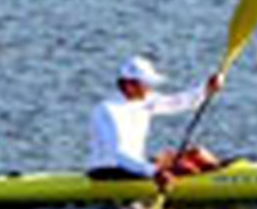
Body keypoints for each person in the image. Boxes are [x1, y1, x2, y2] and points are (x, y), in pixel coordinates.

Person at [88, 55, 225, 189]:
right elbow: (119, 154)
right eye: (146, 84)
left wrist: (206, 88)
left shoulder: (144, 101)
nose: (150, 88)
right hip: (109, 171)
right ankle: (221, 184)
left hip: (136, 165)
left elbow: (177, 102)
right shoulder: (108, 110)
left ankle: (225, 174)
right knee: (186, 168)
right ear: (129, 85)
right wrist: (155, 172)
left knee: (196, 153)